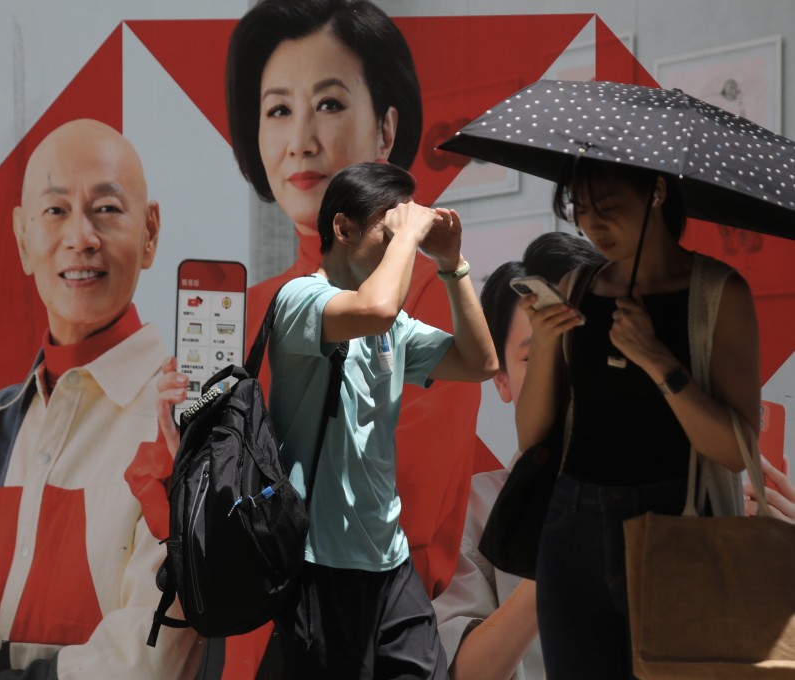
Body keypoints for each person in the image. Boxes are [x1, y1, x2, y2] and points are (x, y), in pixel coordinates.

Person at [226, 0, 481, 602]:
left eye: (329, 104)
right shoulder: (253, 308)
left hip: (367, 623)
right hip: (252, 635)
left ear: (386, 129)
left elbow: (396, 511)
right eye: (279, 110)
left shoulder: (433, 297)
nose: (301, 141)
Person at [0, 119, 202, 679]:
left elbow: (149, 659)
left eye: (107, 210)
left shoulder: (182, 423)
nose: (81, 238)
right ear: (22, 237)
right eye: (56, 211)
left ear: (151, 232)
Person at [516, 159, 760, 678]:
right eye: (581, 211)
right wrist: (542, 343)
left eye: (607, 208)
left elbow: (737, 451)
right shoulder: (579, 286)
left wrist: (657, 360)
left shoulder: (720, 294)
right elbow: (533, 435)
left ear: (656, 193)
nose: (592, 227)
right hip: (572, 526)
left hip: (678, 522)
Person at [266, 161, 496, 678]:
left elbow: (480, 363)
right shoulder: (300, 300)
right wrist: (409, 231)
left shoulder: (391, 325)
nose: (403, 245)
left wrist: (453, 264)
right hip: (320, 566)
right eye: (388, 231)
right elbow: (375, 309)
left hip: (390, 564)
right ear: (343, 229)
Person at [432, 232, 603, 680]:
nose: (566, 373)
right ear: (502, 381)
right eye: (539, 354)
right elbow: (462, 671)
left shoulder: (673, 491)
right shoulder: (473, 510)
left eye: (582, 349)